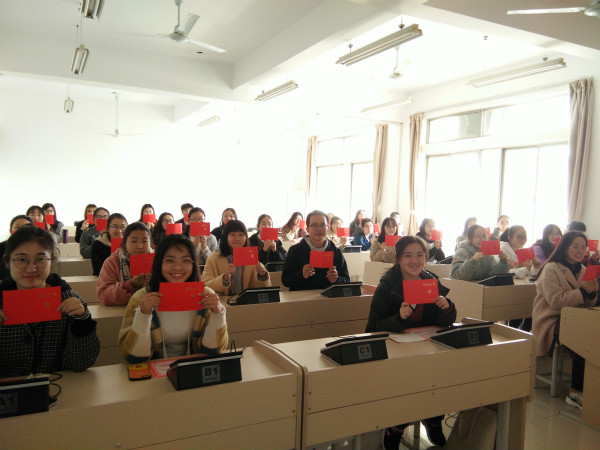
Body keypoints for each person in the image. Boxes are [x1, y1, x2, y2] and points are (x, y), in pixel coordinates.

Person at [365, 235, 456, 449]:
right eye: (407, 256)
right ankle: (396, 425)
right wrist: (399, 318)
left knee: (441, 372)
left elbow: (445, 321)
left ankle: (433, 418)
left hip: (425, 346)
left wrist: (447, 308)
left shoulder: (430, 281)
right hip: (395, 349)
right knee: (406, 380)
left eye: (419, 255)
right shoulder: (388, 286)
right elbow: (373, 327)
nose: (414, 261)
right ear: (397, 259)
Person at [0, 226, 99, 376]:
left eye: (40, 259)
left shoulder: (70, 301)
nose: (31, 268)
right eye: (21, 259)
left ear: (51, 261)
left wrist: (83, 321)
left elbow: (81, 363)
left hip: (58, 386)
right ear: (7, 262)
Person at [118, 234, 228, 363]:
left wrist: (217, 314)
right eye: (170, 260)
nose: (177, 267)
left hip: (192, 369)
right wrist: (143, 314)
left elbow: (214, 351)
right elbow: (133, 356)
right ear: (159, 263)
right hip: (153, 370)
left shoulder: (205, 297)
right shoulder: (141, 299)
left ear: (193, 264)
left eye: (186, 260)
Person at [532, 230, 598, 410]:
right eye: (575, 246)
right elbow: (555, 301)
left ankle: (591, 386)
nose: (580, 251)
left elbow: (588, 302)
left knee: (593, 331)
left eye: (583, 247)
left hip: (575, 318)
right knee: (584, 338)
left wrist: (591, 293)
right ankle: (575, 391)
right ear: (564, 247)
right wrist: (582, 292)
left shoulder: (582, 269)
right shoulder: (551, 268)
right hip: (551, 320)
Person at [282, 210, 350, 291]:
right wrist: (301, 275)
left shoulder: (336, 252)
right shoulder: (295, 251)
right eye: (314, 225)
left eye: (323, 225)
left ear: (328, 228)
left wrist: (336, 279)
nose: (319, 229)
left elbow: (346, 280)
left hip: (328, 296)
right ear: (307, 229)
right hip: (302, 296)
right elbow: (285, 280)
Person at [202, 220, 270, 295]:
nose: (237, 238)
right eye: (232, 234)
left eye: (241, 235)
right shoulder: (214, 258)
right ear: (225, 237)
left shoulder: (250, 256)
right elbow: (205, 285)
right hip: (222, 301)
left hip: (246, 301)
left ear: (246, 237)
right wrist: (224, 278)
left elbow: (260, 289)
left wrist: (262, 276)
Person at [97, 223, 152, 306]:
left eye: (144, 241)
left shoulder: (157, 261)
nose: (140, 246)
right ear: (124, 243)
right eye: (134, 241)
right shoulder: (112, 262)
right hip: (120, 310)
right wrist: (130, 285)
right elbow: (104, 295)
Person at [0, 215, 34, 281]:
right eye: (17, 227)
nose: (21, 231)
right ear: (11, 231)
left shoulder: (37, 247)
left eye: (26, 227)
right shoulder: (2, 247)